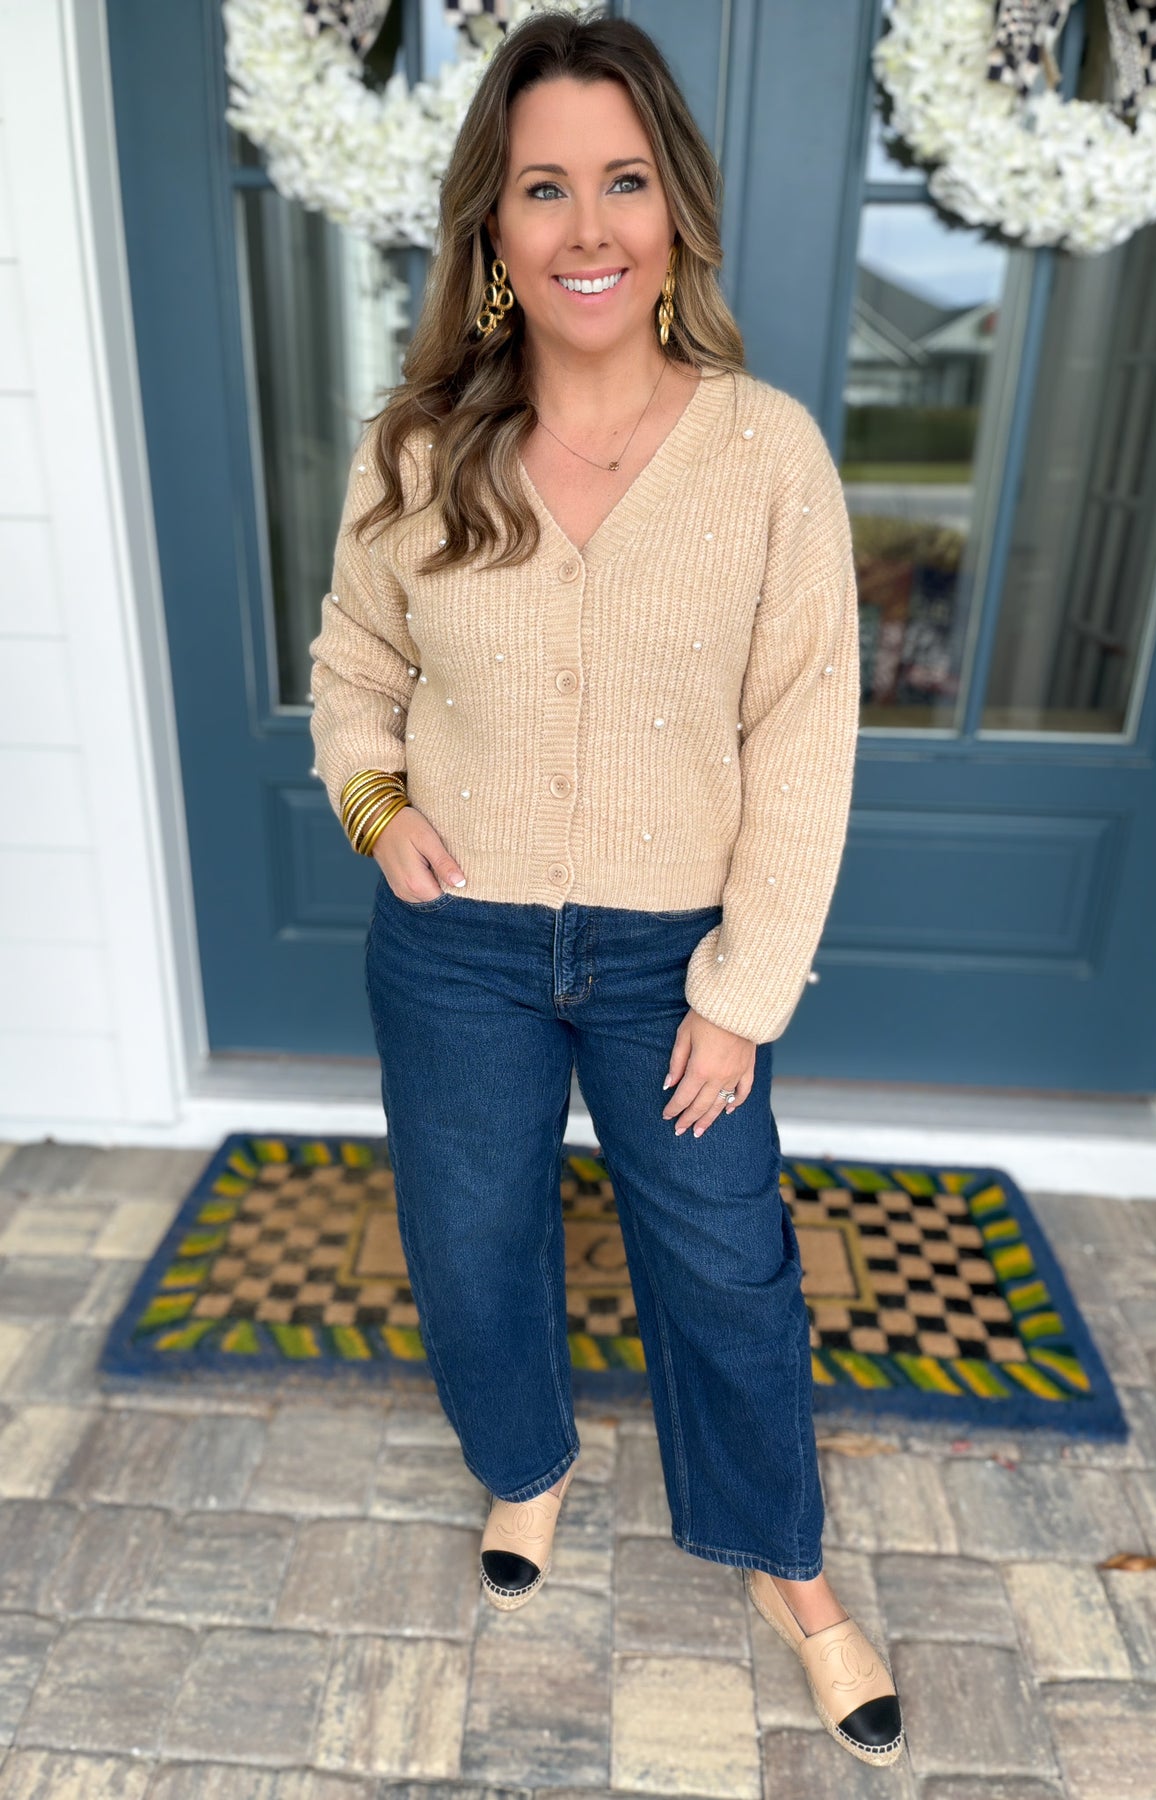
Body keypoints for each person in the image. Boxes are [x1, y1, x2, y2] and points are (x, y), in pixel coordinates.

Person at [308, 5, 903, 1769]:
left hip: (676, 960)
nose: (589, 227)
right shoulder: (419, 449)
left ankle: (785, 1561)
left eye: (624, 182)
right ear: (493, 225)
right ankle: (527, 1463)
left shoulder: (766, 457)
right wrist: (375, 807)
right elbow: (355, 665)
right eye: (545, 186)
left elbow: (806, 742)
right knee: (469, 1241)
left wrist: (744, 992)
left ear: (675, 212)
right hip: (458, 948)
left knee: (726, 1264)